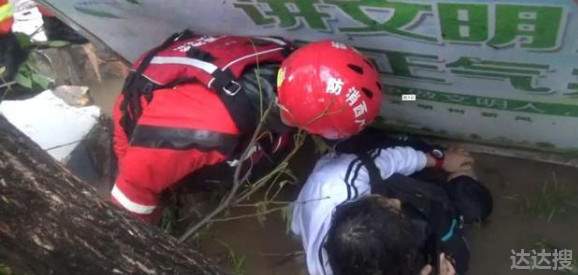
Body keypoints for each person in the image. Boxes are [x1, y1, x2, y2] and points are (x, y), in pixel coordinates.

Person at [110, 31, 384, 222]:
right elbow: (130, 190)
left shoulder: (288, 61)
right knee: (148, 199)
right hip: (144, 126)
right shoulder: (207, 129)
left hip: (187, 93)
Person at [291, 130, 493, 275]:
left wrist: (440, 160)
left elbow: (390, 159)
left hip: (325, 188)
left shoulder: (343, 181)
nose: (396, 202)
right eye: (394, 212)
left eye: (383, 204)